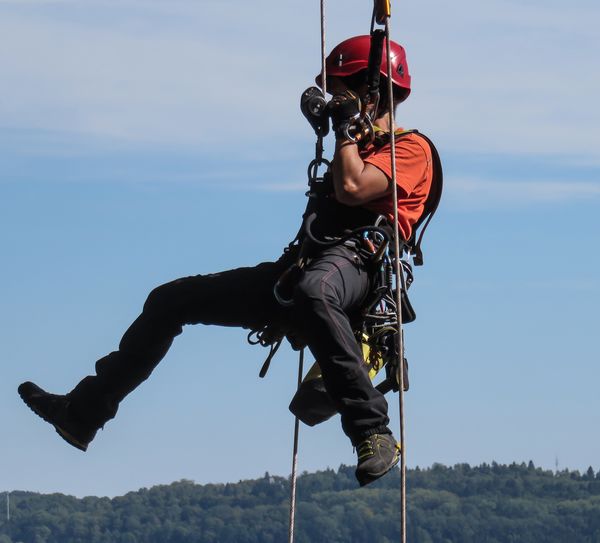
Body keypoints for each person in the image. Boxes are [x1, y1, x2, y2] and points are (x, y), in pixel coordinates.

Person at [18, 35, 435, 487]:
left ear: (371, 93)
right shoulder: (353, 146)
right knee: (171, 300)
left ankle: (372, 431)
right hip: (305, 268)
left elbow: (353, 189)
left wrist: (344, 130)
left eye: (343, 92)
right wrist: (347, 130)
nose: (337, 101)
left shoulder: (411, 150)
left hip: (358, 267)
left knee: (314, 290)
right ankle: (82, 414)